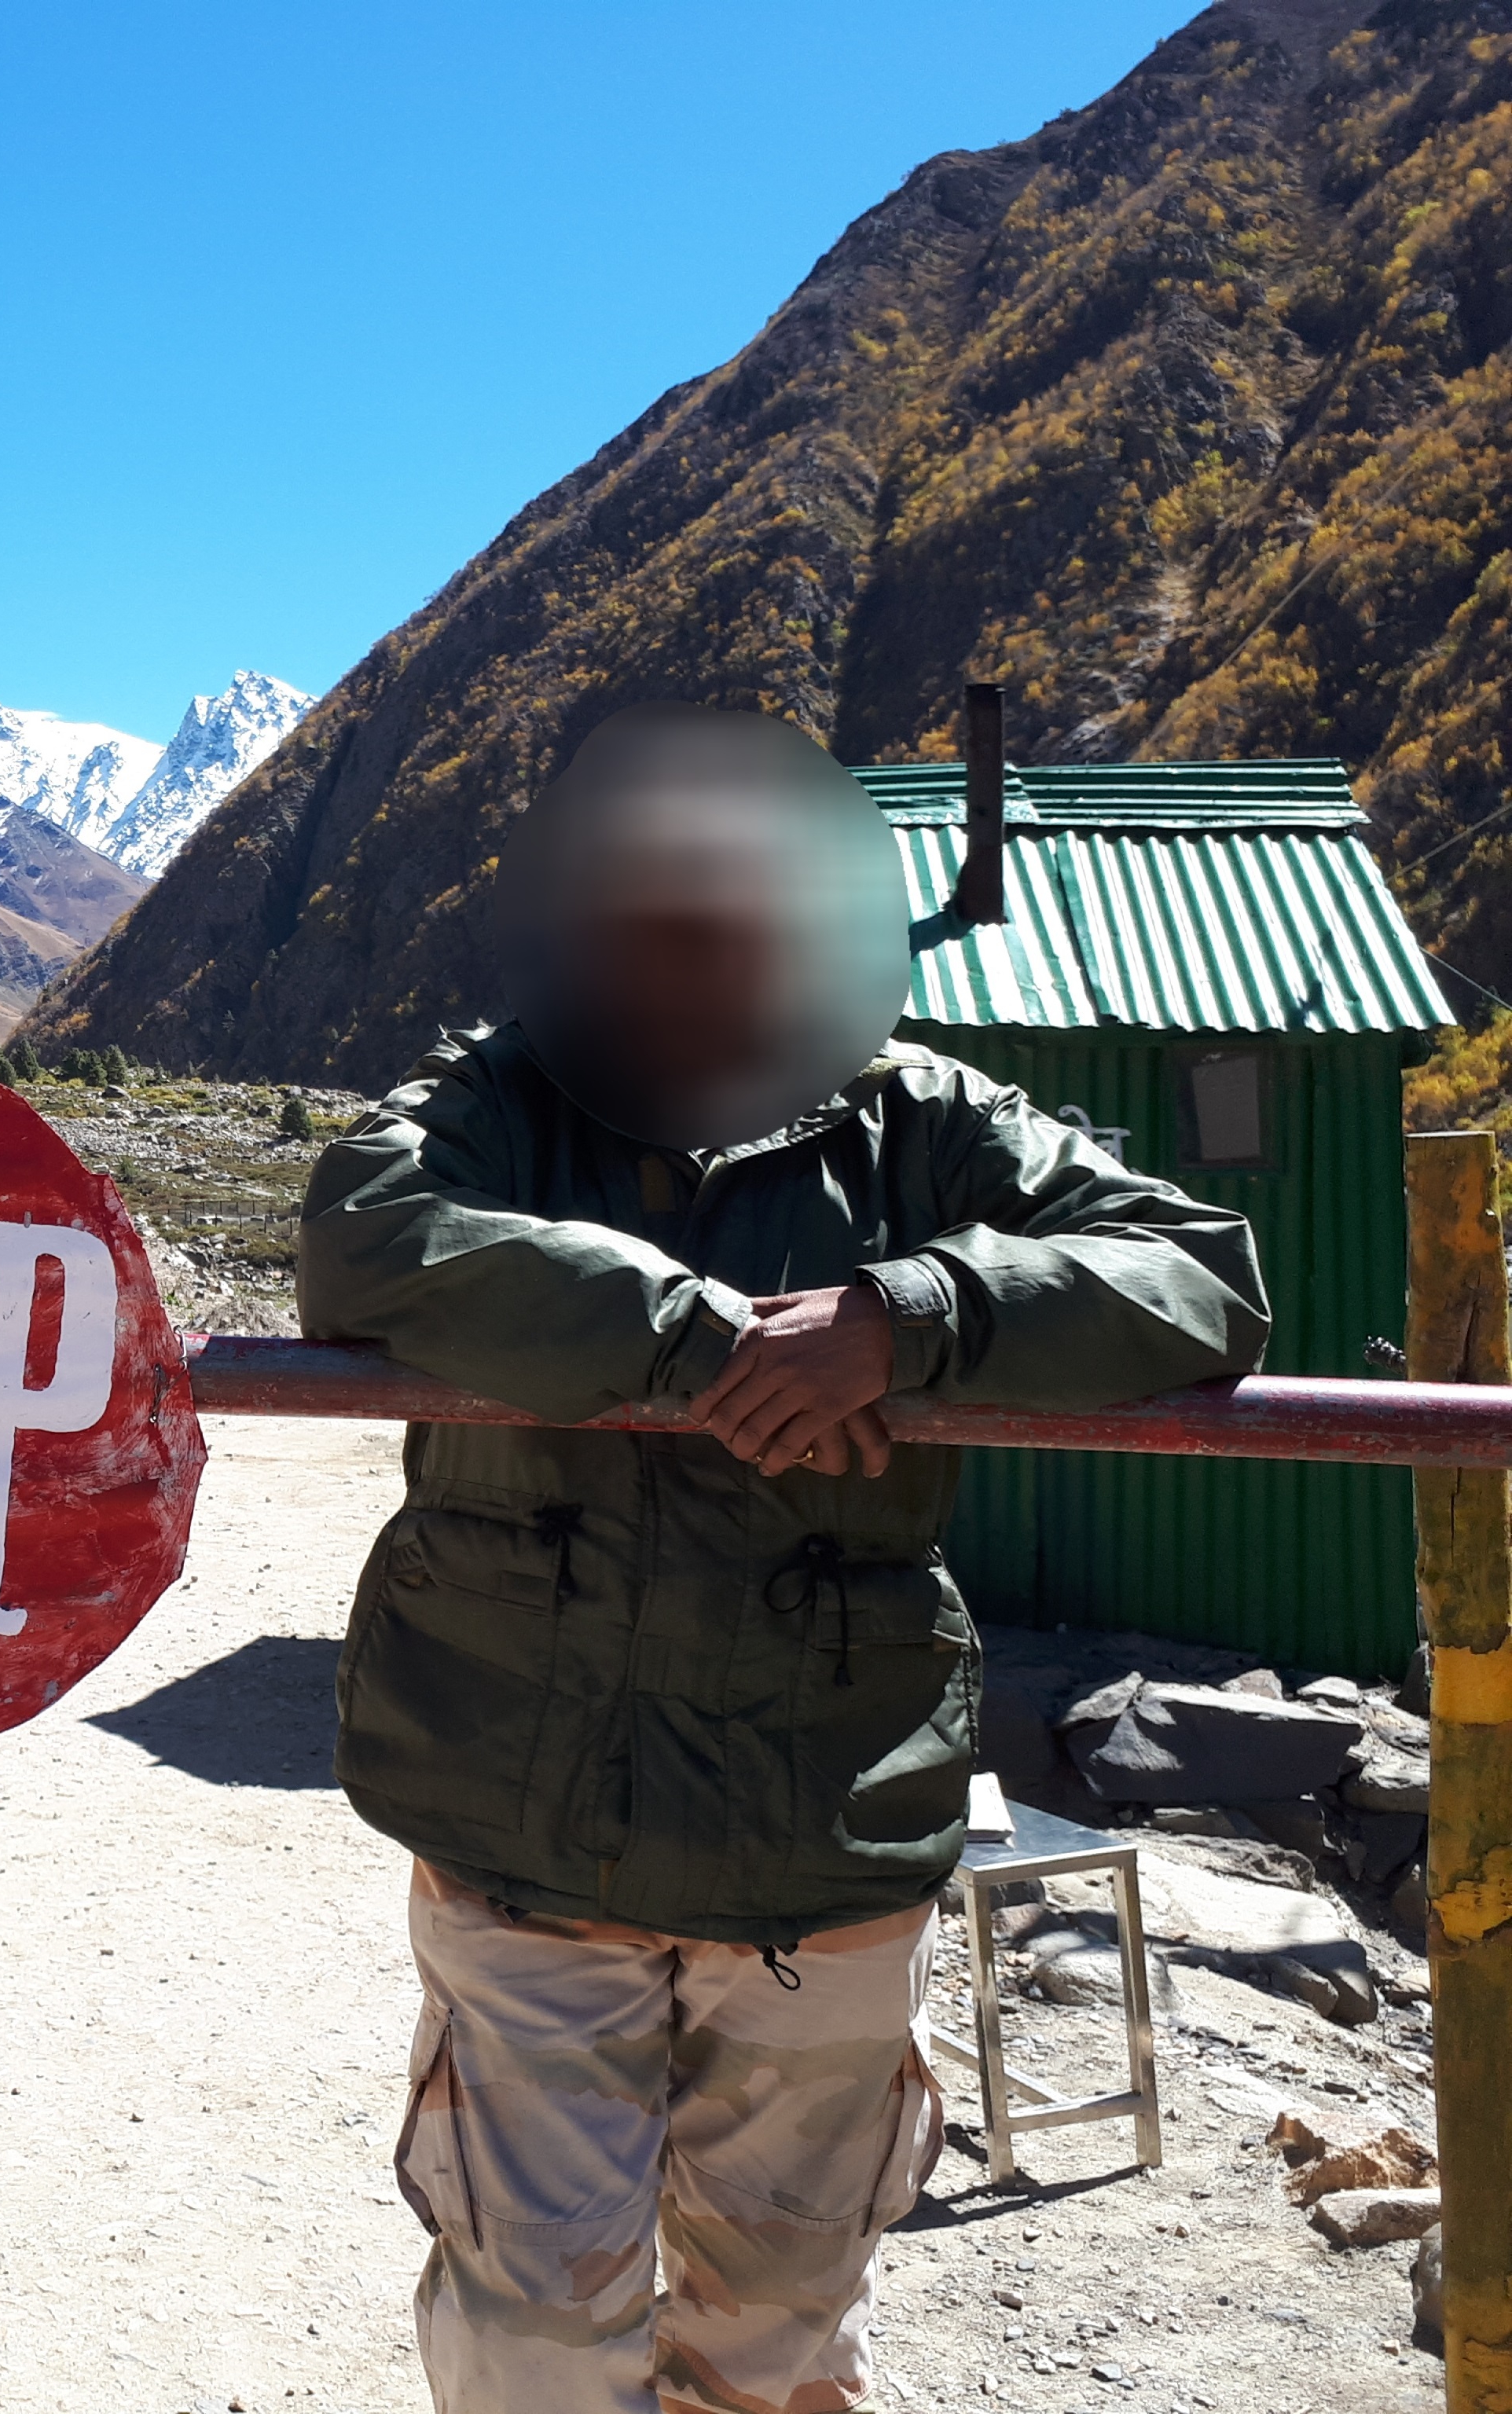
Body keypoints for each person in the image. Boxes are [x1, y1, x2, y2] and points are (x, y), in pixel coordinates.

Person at [295, 706, 1268, 2414]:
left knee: (777, 2329)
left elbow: (1193, 1275)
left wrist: (915, 1314)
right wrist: (686, 1341)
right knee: (530, 2339)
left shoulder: (929, 1126)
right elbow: (361, 1235)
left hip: (822, 1837)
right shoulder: (490, 1094)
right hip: (522, 1830)